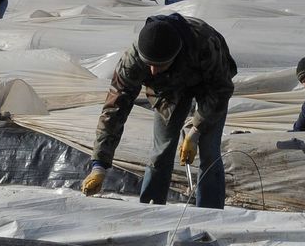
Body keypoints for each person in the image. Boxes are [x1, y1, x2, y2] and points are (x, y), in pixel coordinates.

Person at [80, 13, 236, 209]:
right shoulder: (133, 60)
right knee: (161, 151)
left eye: (160, 64)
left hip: (209, 86)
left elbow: (220, 90)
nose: (152, 70)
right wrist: (99, 164)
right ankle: (151, 210)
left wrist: (196, 130)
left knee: (209, 151)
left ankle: (210, 213)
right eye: (149, 64)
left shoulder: (204, 44)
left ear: (175, 55)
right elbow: (114, 109)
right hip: (167, 91)